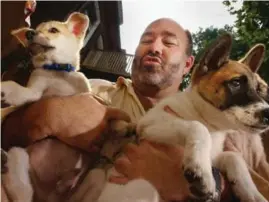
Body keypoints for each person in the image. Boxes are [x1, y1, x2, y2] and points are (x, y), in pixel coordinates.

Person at [1, 18, 235, 201]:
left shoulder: (215, 124)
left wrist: (207, 186)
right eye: (146, 40)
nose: (154, 47)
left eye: (169, 42)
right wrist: (48, 114)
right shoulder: (93, 89)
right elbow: (6, 134)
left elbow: (258, 189)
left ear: (187, 64)